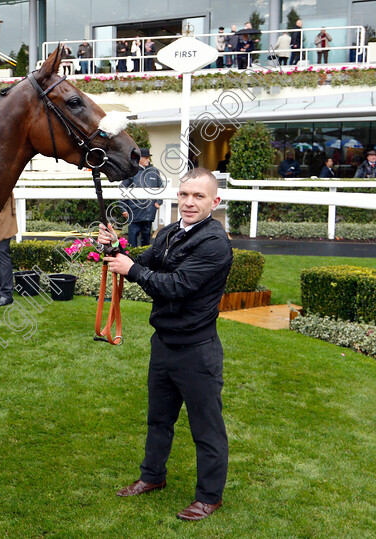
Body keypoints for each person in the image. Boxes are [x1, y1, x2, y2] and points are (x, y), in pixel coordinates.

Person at [104, 167, 233, 522]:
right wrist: (115, 248)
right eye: (184, 194)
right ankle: (152, 477)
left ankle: (209, 497)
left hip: (197, 351)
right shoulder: (171, 232)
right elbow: (144, 262)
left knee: (206, 429)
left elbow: (174, 285)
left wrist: (131, 270)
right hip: (163, 344)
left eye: (198, 196)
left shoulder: (214, 244)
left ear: (215, 201)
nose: (189, 202)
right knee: (159, 419)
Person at [120, 148, 163, 247]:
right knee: (132, 239)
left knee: (146, 239)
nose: (148, 160)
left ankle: (145, 260)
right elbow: (122, 190)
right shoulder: (131, 172)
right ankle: (131, 259)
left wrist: (158, 201)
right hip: (134, 212)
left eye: (148, 158)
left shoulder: (154, 171)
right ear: (139, 159)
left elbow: (160, 188)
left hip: (149, 212)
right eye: (145, 158)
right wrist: (123, 209)